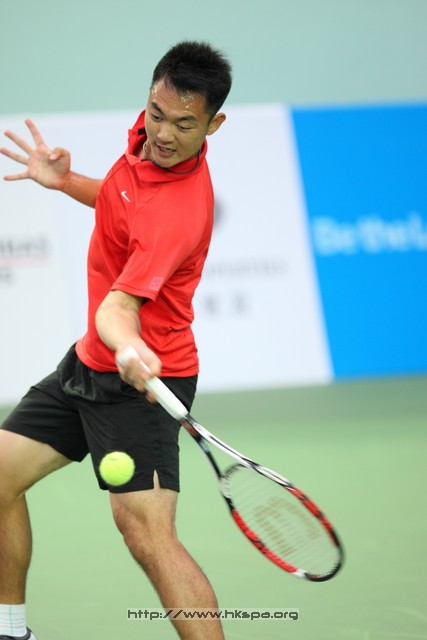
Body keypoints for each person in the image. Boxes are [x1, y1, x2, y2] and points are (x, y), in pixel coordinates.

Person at [0, 41, 232, 640]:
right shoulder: (152, 137)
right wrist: (65, 181)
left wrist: (129, 347)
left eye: (184, 125)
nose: (164, 133)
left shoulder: (178, 213)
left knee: (149, 538)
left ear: (213, 125)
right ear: (150, 98)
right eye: (156, 114)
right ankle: (11, 630)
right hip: (89, 365)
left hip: (145, 380)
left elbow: (118, 308)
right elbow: (123, 197)